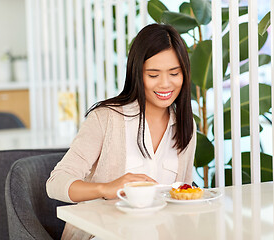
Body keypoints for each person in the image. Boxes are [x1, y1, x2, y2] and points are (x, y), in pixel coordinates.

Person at [46, 23, 197, 239]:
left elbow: (183, 195)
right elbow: (55, 184)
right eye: (153, 75)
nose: (166, 84)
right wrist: (106, 188)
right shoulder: (106, 118)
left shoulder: (185, 125)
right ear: (137, 74)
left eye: (174, 73)